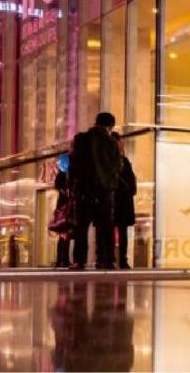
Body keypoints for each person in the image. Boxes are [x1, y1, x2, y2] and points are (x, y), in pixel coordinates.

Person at [68, 112, 121, 270]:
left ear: (96, 122)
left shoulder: (80, 139)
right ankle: (107, 260)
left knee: (81, 227)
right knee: (106, 227)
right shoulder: (111, 142)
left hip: (83, 190)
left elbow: (73, 164)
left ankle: (79, 261)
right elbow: (117, 166)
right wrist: (111, 184)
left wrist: (72, 186)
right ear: (110, 126)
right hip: (103, 191)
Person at [111, 132, 137, 269]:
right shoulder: (122, 161)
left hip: (116, 200)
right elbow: (131, 182)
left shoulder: (122, 161)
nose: (122, 145)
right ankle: (120, 259)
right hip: (120, 200)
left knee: (114, 230)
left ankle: (113, 258)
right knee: (121, 231)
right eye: (120, 142)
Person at [53, 162, 72, 268]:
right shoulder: (63, 176)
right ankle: (62, 259)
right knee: (64, 236)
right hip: (64, 211)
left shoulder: (63, 175)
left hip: (64, 210)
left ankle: (62, 259)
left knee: (64, 236)